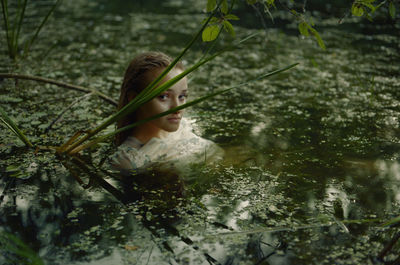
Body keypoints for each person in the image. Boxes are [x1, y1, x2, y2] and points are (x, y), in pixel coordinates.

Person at [110, 51, 223, 179]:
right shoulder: (130, 162)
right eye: (163, 96)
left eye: (182, 96)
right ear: (134, 98)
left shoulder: (183, 126)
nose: (178, 107)